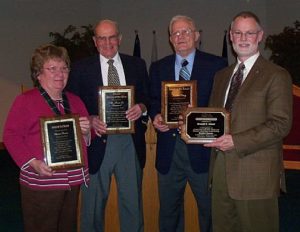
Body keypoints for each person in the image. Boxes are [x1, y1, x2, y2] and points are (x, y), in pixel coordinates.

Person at [204, 11, 293, 232]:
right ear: (230, 36)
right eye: (238, 33)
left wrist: (236, 141)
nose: (243, 38)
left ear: (260, 36)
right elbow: (215, 118)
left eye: (250, 33)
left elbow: (281, 124)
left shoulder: (276, 75)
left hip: (256, 175)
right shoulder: (222, 76)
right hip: (220, 171)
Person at [66, 19, 149, 232]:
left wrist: (141, 106)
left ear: (119, 39)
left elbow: (149, 97)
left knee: (132, 204)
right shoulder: (80, 69)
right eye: (102, 38)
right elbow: (71, 105)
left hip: (129, 143)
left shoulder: (137, 65)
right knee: (92, 207)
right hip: (96, 141)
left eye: (112, 37)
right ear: (95, 41)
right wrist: (90, 119)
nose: (107, 42)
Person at [149, 15, 227, 232]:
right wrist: (155, 116)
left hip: (203, 152)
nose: (180, 36)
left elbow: (222, 104)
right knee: (168, 212)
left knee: (209, 210)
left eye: (186, 31)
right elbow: (154, 99)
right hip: (169, 152)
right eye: (175, 33)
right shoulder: (158, 67)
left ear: (197, 35)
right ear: (170, 39)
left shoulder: (217, 65)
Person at [3, 44, 91, 232]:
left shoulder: (75, 100)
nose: (60, 74)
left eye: (64, 68)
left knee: (67, 227)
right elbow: (11, 136)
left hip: (72, 181)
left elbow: (85, 140)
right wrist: (32, 162)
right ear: (38, 73)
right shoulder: (25, 100)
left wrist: (85, 132)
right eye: (52, 68)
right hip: (42, 180)